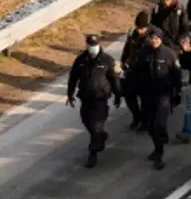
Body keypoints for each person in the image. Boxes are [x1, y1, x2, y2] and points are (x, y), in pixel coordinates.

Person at [67, 35, 121, 168]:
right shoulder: (81, 60)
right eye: (90, 44)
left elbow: (115, 79)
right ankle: (101, 136)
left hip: (100, 99)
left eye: (95, 44)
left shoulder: (107, 60)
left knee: (96, 125)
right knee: (86, 121)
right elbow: (73, 78)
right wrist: (70, 94)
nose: (92, 47)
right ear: (86, 44)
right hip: (86, 98)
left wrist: (118, 95)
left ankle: (93, 152)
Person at [135, 28, 183, 170]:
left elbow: (177, 75)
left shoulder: (169, 54)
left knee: (159, 124)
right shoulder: (144, 53)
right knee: (149, 124)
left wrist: (177, 93)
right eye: (152, 38)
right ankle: (157, 144)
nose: (154, 41)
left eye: (157, 39)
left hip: (164, 94)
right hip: (147, 94)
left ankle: (159, 153)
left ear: (161, 39)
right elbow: (138, 71)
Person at [120, 11, 158, 130]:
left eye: (142, 28)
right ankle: (137, 116)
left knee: (146, 98)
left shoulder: (155, 34)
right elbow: (127, 47)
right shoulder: (132, 33)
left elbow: (159, 51)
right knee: (129, 95)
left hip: (147, 70)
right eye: (138, 28)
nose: (139, 30)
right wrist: (123, 60)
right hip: (132, 68)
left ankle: (146, 121)